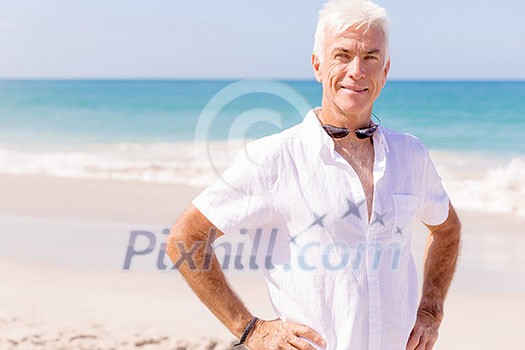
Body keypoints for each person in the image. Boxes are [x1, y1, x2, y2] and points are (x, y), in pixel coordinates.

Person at [167, 0, 461, 349]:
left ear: (386, 70)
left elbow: (446, 229)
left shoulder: (411, 155)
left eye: (371, 57)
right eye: (343, 55)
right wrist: (250, 329)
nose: (357, 70)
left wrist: (430, 311)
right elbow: (186, 238)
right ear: (317, 65)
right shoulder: (273, 158)